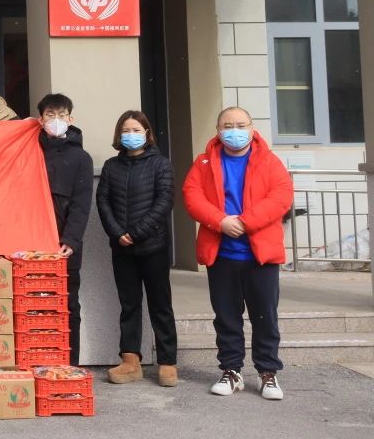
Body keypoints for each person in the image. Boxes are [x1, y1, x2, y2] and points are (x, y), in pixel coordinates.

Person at [183, 107, 293, 401]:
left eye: (240, 125)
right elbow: (192, 196)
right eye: (228, 125)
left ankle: (268, 372)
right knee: (226, 317)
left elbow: (281, 197)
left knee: (265, 317)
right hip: (221, 254)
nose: (234, 130)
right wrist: (219, 221)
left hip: (261, 256)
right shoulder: (204, 162)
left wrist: (246, 222)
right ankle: (231, 370)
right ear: (218, 129)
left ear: (252, 128)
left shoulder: (269, 161)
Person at [96, 110, 178, 387]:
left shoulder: (161, 164)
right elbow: (103, 202)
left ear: (147, 133)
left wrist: (137, 232)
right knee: (129, 305)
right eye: (126, 130)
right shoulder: (111, 166)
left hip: (153, 246)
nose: (130, 135)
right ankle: (130, 360)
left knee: (160, 305)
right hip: (122, 249)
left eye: (136, 130)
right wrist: (118, 233)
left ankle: (167, 362)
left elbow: (164, 202)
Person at [36, 93, 93, 366]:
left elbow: (82, 203)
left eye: (61, 115)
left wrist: (71, 239)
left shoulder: (81, 158)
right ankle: (38, 361)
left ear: (71, 119)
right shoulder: (31, 150)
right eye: (50, 115)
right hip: (34, 241)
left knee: (68, 304)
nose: (56, 120)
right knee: (35, 304)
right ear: (40, 120)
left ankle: (70, 365)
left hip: (65, 244)